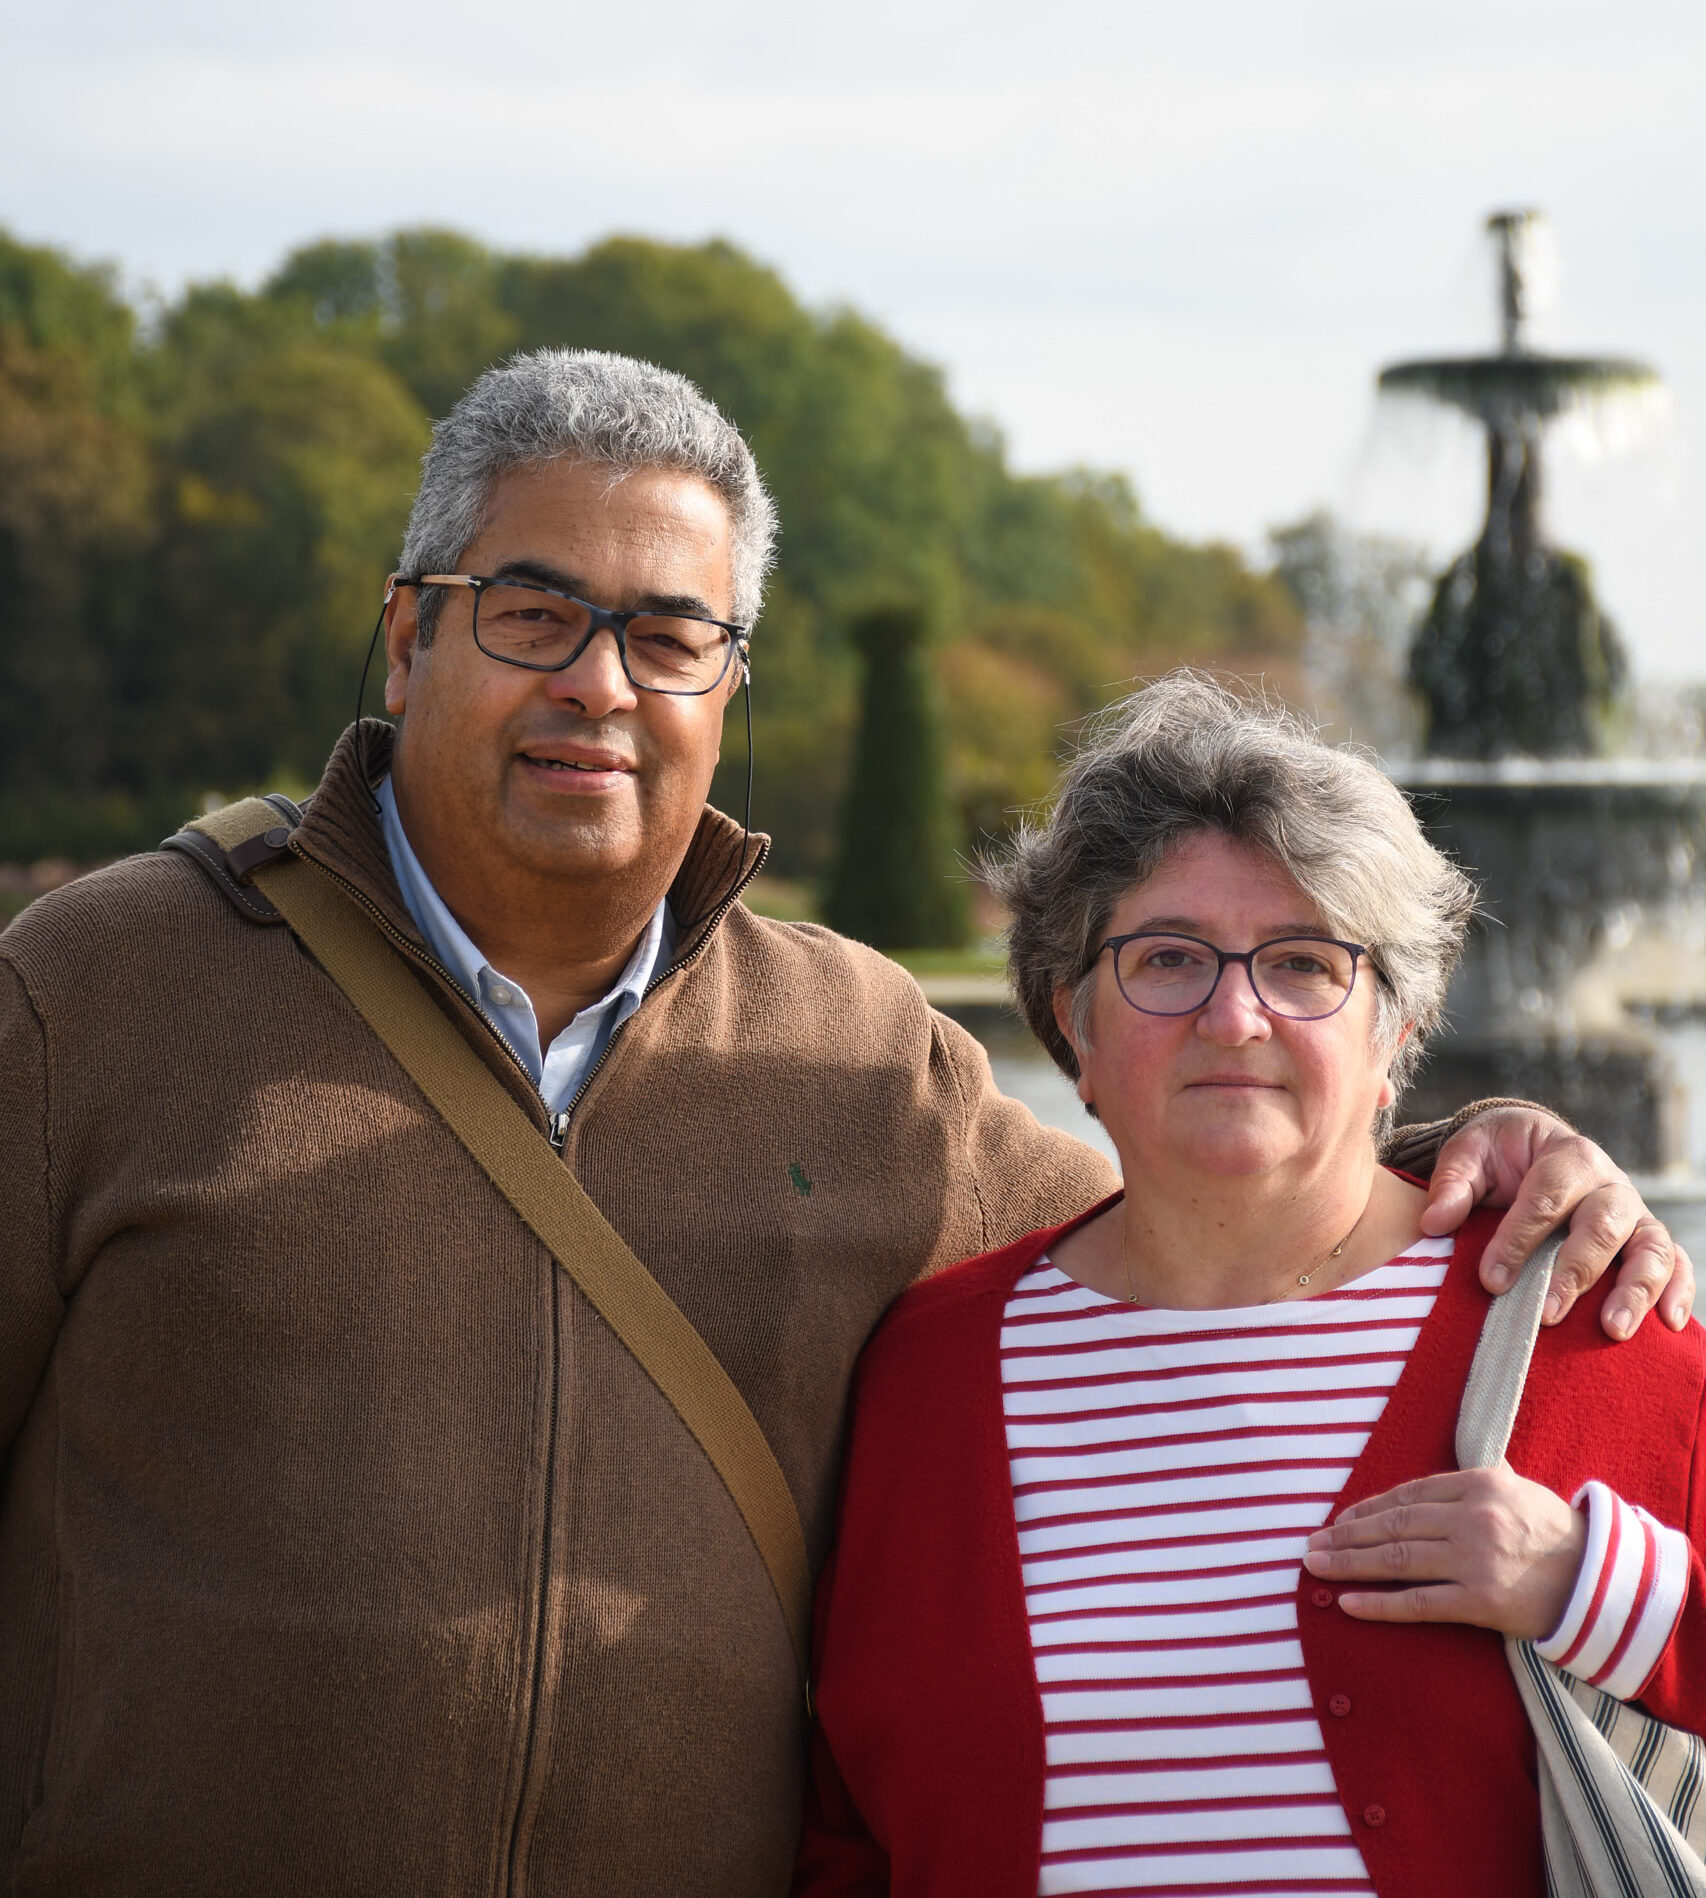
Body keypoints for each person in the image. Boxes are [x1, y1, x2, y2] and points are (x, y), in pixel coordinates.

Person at [0, 357, 1688, 1898]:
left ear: (725, 684)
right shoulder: (99, 995)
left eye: (671, 635)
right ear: (407, 633)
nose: (601, 681)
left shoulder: (862, 1050)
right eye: (533, 611)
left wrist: (1501, 1145)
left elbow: (1203, 1205)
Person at [794, 674, 1704, 1898]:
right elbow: (849, 1830)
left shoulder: (1589, 1327)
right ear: (1072, 1025)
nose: (1234, 1015)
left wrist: (1598, 1584)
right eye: (1166, 958)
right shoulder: (926, 1372)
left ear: (1394, 1032)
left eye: (1301, 961)